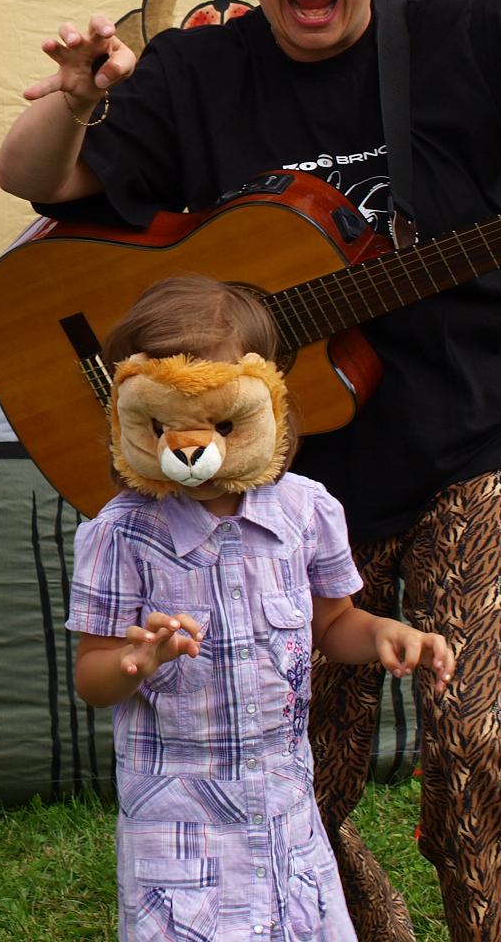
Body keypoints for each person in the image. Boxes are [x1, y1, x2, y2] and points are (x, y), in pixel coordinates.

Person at [0, 0, 501, 942]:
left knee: (484, 731)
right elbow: (37, 179)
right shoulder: (197, 71)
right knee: (279, 775)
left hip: (483, 444)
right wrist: (75, 97)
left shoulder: (461, 34)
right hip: (280, 492)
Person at [71, 274, 454, 941]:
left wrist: (384, 633)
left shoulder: (306, 512)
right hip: (180, 831)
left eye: (221, 421)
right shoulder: (120, 534)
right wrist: (137, 659)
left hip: (287, 821)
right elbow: (91, 676)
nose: (192, 450)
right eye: (163, 425)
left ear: (267, 401)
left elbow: (334, 623)